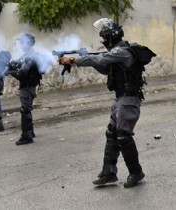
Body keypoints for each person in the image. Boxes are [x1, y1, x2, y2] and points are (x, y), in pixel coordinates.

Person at [59, 18, 146, 188]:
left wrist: (73, 60)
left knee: (123, 135)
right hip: (120, 98)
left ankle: (136, 172)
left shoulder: (123, 51)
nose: (102, 41)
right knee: (112, 133)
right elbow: (104, 67)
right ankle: (109, 173)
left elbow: (99, 60)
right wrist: (86, 58)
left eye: (104, 38)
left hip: (129, 99)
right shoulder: (116, 53)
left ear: (111, 37)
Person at [7, 33, 49, 146]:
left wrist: (11, 72)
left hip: (27, 86)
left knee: (25, 110)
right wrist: (12, 65)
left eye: (22, 42)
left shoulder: (30, 56)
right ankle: (30, 131)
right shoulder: (28, 55)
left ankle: (26, 136)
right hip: (30, 85)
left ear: (28, 43)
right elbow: (19, 65)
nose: (20, 45)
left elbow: (22, 74)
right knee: (27, 109)